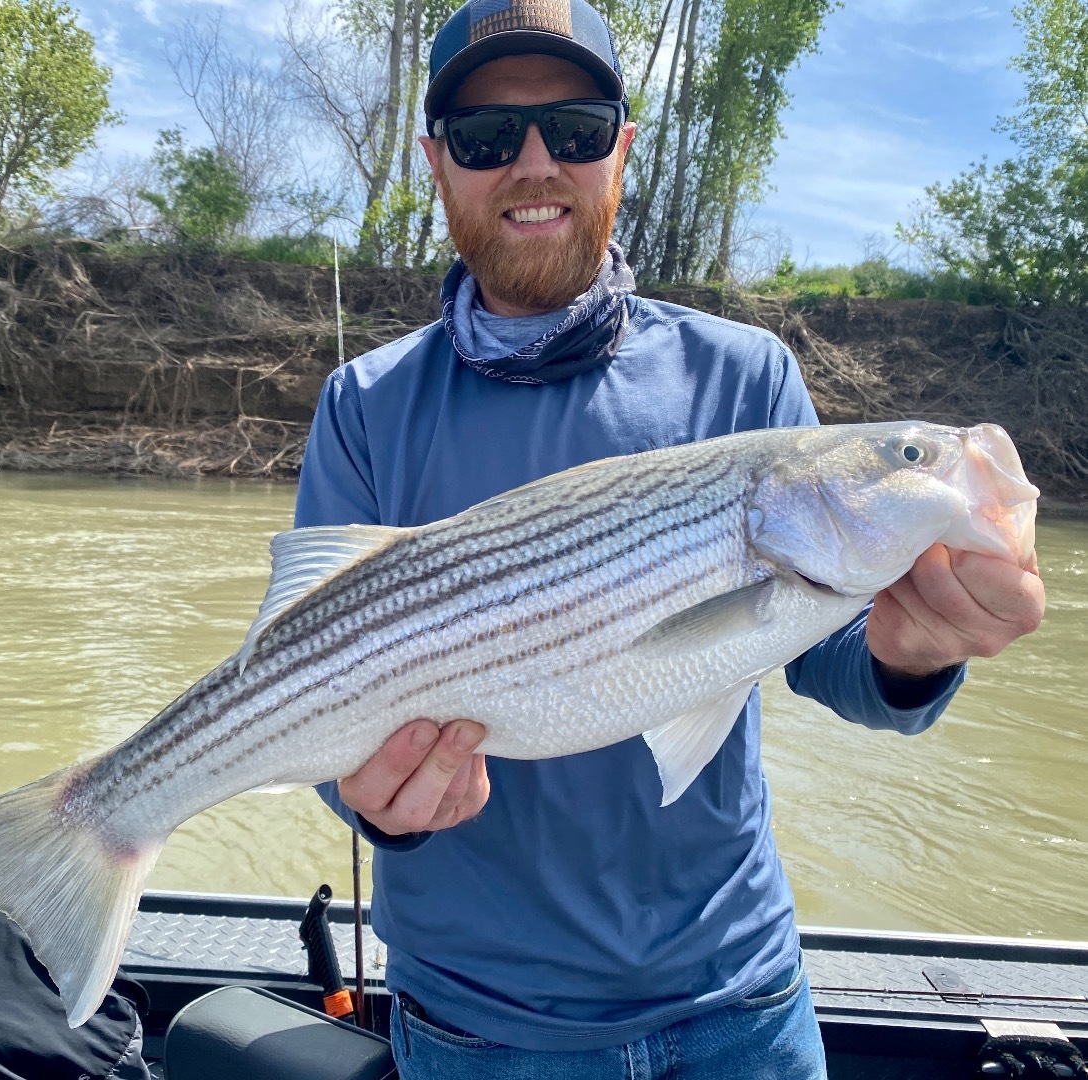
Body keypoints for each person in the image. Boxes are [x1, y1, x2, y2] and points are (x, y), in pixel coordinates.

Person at [293, 1, 1047, 1075]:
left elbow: (824, 656)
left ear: (623, 151)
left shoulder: (747, 376)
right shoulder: (363, 404)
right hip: (482, 1025)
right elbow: (310, 695)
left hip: (738, 996)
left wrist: (915, 646)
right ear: (436, 163)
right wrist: (377, 806)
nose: (535, 164)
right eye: (487, 139)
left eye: (578, 127)